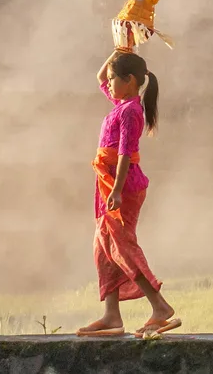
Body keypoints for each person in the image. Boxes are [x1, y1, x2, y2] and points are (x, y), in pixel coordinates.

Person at [76, 50, 181, 338]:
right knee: (103, 246)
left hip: (123, 185)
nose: (107, 84)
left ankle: (160, 306)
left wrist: (119, 190)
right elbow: (99, 77)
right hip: (107, 183)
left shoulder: (132, 111)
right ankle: (112, 315)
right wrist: (120, 47)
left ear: (130, 81)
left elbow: (124, 153)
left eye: (113, 79)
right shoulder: (121, 104)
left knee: (121, 245)